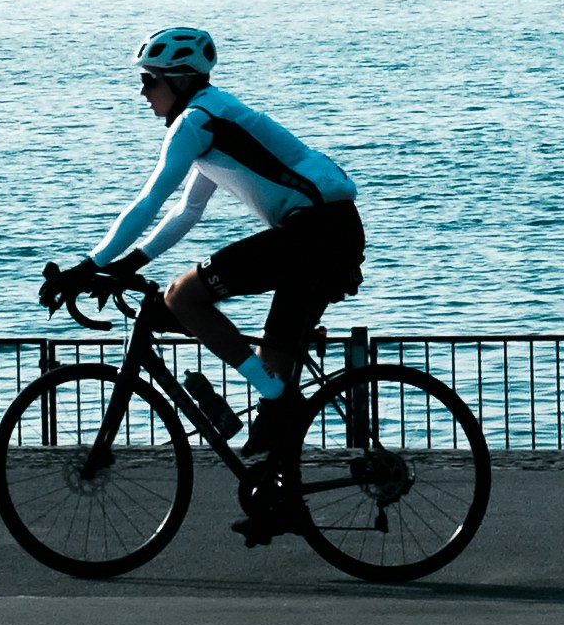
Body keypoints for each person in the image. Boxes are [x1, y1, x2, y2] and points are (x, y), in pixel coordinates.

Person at [40, 26, 365, 510]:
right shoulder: (214, 117)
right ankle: (278, 502)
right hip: (330, 233)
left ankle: (278, 404)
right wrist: (131, 261)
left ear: (180, 79)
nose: (143, 91)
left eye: (150, 80)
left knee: (183, 296)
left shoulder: (196, 121)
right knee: (274, 376)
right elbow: (186, 211)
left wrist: (89, 266)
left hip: (314, 233)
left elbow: (151, 198)